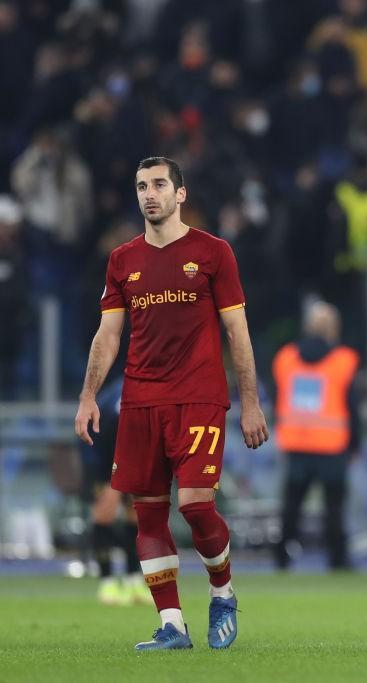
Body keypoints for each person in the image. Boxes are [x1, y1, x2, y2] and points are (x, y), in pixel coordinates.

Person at [74, 157, 270, 651]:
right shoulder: (122, 260)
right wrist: (89, 396)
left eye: (159, 184)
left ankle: (222, 592)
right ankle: (173, 625)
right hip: (140, 401)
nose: (149, 194)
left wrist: (250, 402)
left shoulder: (213, 252)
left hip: (199, 397)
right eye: (141, 186)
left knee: (196, 506)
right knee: (148, 515)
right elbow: (109, 334)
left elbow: (236, 331)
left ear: (179, 194)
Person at [272, 300, 360, 571]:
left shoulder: (285, 357)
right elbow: (352, 406)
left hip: (295, 442)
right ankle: (337, 560)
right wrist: (355, 444)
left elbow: (277, 399)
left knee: (290, 507)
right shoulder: (345, 360)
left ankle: (281, 558)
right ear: (333, 329)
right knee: (334, 508)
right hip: (332, 446)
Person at [82, 374, 151, 607]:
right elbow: (99, 433)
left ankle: (133, 580)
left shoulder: (155, 393)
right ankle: (107, 583)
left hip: (134, 457)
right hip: (101, 457)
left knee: (136, 514)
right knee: (105, 513)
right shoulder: (120, 399)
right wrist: (103, 478)